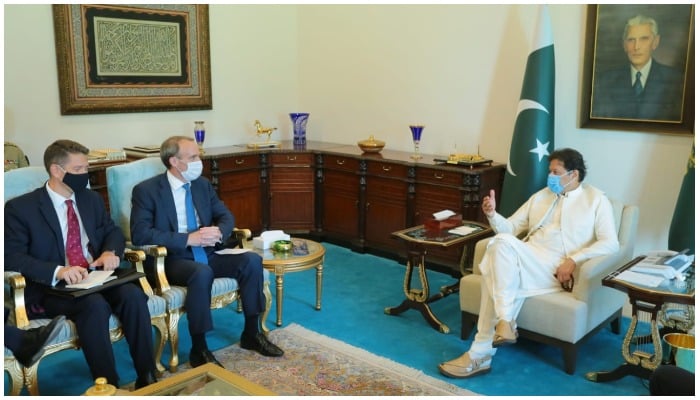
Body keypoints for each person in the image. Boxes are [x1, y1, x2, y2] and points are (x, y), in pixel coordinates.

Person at [438, 148, 619, 378]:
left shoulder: (596, 200)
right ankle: (500, 327)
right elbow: (511, 229)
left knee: (495, 266)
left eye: (556, 172)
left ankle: (482, 351)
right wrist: (493, 214)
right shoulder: (541, 196)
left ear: (574, 174)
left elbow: (611, 243)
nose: (550, 177)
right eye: (549, 171)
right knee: (500, 244)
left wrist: (575, 259)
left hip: (556, 268)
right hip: (529, 255)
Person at [4, 139, 158, 388]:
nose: (85, 175)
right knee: (94, 307)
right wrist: (59, 270)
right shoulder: (21, 208)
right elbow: (11, 257)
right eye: (78, 170)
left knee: (132, 295)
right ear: (56, 170)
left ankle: (148, 376)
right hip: (53, 287)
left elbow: (113, 232)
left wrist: (110, 251)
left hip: (95, 275)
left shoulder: (90, 199)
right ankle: (109, 386)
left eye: (86, 168)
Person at [130, 136, 284, 368]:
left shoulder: (201, 184)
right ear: (174, 161)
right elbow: (141, 234)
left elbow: (225, 216)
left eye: (198, 156)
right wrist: (188, 238)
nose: (198, 161)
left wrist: (218, 232)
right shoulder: (147, 191)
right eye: (193, 157)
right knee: (201, 273)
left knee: (252, 260)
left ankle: (252, 334)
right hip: (173, 259)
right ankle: (199, 348)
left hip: (209, 252)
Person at [592, 14, 685, 121]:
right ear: (624, 45)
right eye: (631, 40)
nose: (636, 47)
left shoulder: (675, 80)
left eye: (644, 39)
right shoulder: (605, 81)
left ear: (655, 42)